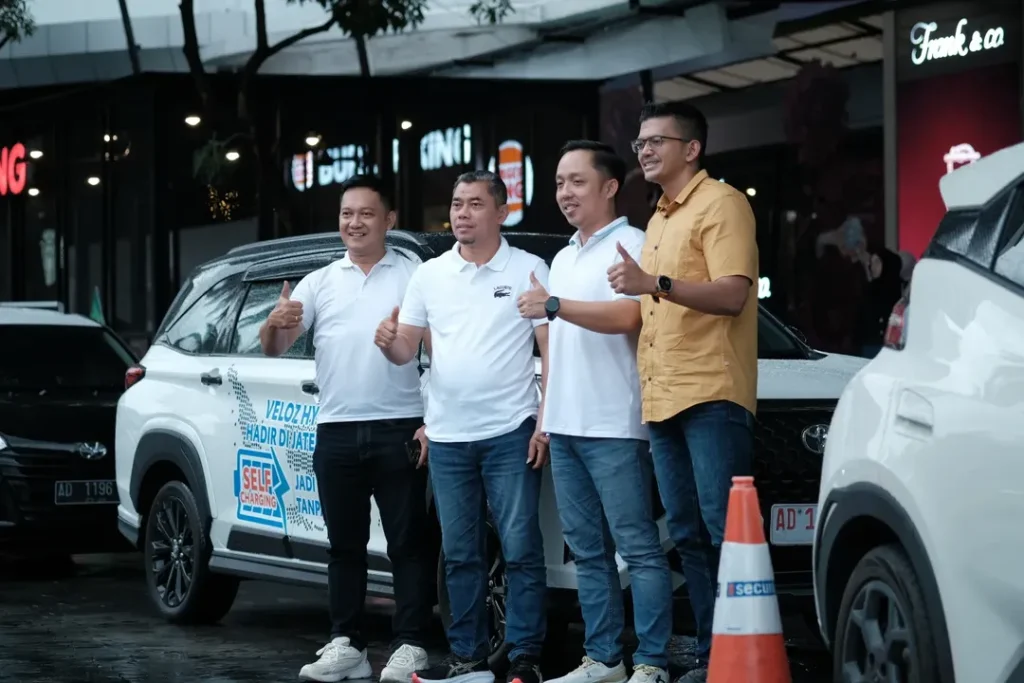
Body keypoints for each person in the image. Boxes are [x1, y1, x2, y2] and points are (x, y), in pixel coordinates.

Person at [375, 170, 551, 683]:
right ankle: (467, 659)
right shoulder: (429, 275)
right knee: (460, 555)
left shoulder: (529, 268)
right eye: (456, 204)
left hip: (511, 430)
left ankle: (525, 659)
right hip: (449, 437)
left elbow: (551, 350)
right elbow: (408, 349)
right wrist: (388, 341)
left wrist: (546, 419)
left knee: (520, 547)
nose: (462, 214)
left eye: (475, 204)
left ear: (502, 211)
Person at [259, 175, 434, 683]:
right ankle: (347, 645)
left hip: (400, 427)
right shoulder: (320, 281)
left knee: (407, 544)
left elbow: (438, 350)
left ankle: (410, 645)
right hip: (335, 429)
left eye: (365, 214)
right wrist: (274, 321)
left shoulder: (415, 274)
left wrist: (431, 421)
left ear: (389, 220)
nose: (354, 223)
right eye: (346, 214)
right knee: (344, 546)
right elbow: (275, 345)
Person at [607, 102, 758, 683]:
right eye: (640, 142)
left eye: (655, 141)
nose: (643, 150)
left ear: (691, 148)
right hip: (663, 397)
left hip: (712, 395)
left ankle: (741, 656)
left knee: (725, 533)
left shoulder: (722, 203)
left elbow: (732, 295)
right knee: (689, 536)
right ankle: (714, 654)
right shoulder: (660, 218)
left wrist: (655, 284)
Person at [516, 140, 672, 683]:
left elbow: (631, 317)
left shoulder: (635, 244)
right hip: (566, 423)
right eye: (559, 182)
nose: (565, 193)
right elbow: (554, 347)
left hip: (617, 424)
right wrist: (546, 416)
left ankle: (651, 662)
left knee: (639, 550)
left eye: (577, 181)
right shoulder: (562, 257)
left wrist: (554, 305)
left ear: (610, 187)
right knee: (588, 552)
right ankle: (604, 659)